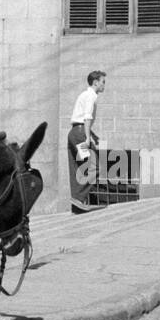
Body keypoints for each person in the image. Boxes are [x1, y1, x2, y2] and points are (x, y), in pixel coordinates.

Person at [66, 70, 107, 214]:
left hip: (73, 133)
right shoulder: (91, 96)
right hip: (80, 133)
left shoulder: (84, 94)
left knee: (77, 167)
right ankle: (78, 199)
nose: (104, 85)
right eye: (103, 82)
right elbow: (87, 118)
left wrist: (92, 134)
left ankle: (76, 204)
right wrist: (88, 137)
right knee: (94, 167)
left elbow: (81, 119)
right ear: (96, 82)